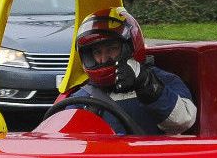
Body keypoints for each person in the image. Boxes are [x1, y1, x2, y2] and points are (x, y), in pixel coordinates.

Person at [66, 7, 197, 135]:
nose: (104, 58)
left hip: (149, 155)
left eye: (111, 49)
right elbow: (64, 139)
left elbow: (183, 121)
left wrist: (146, 85)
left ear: (131, 47)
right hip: (105, 156)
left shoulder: (165, 81)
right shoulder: (82, 97)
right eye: (97, 52)